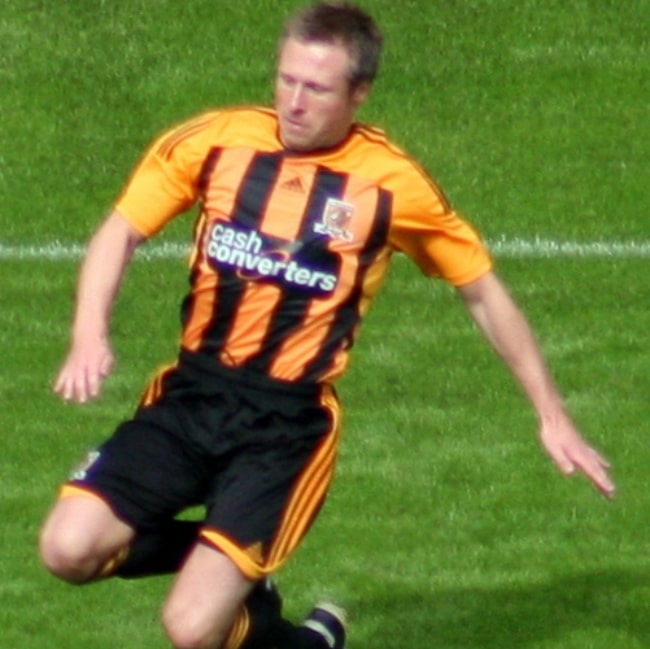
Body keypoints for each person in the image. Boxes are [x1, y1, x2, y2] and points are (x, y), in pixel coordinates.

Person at [39, 2, 615, 649]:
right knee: (66, 549)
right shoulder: (216, 141)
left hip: (284, 430)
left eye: (316, 88)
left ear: (359, 93)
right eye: (286, 79)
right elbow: (121, 229)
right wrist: (89, 331)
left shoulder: (392, 184)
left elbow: (482, 292)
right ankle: (230, 569)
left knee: (192, 630)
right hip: (190, 399)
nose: (294, 101)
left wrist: (551, 412)